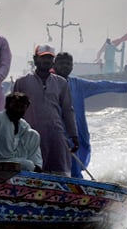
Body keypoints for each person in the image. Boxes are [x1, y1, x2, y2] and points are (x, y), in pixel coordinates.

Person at [53, 52, 127, 178]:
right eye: (61, 63)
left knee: (77, 161)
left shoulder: (78, 84)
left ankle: (77, 189)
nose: (65, 66)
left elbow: (103, 85)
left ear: (72, 66)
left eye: (68, 63)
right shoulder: (47, 83)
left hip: (77, 132)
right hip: (55, 132)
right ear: (54, 64)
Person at [12, 44, 79, 176]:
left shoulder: (61, 83)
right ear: (35, 59)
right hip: (30, 135)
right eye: (43, 58)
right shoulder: (22, 82)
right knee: (32, 169)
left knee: (59, 170)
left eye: (49, 58)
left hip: (55, 135)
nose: (46, 61)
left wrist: (73, 135)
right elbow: (12, 110)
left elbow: (67, 110)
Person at [0, 92, 42, 172]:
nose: (18, 110)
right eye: (15, 106)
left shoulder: (23, 125)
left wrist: (37, 165)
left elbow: (33, 147)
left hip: (14, 160)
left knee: (34, 134)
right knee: (27, 165)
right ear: (7, 105)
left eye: (22, 107)